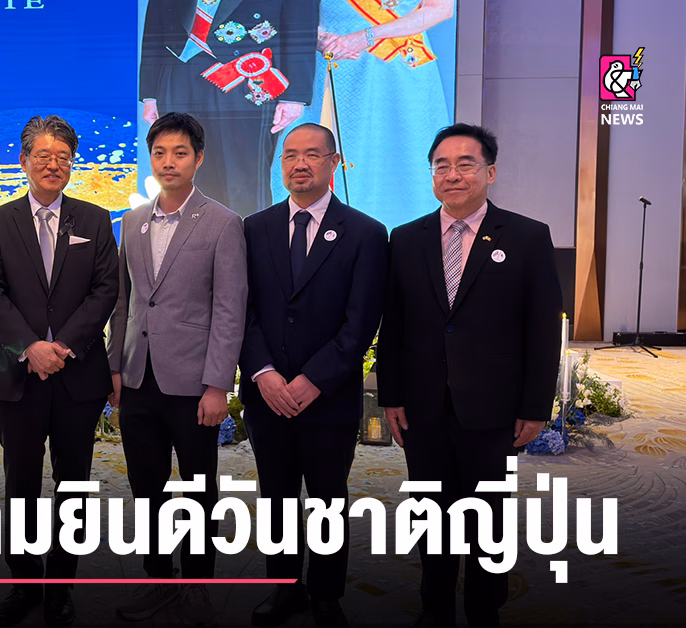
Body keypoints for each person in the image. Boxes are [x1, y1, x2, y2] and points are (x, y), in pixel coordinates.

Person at [376, 124, 561, 628]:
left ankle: (485, 610)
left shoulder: (527, 236)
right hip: (423, 407)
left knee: (487, 516)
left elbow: (543, 329)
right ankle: (434, 606)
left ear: (490, 172)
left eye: (465, 164)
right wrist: (391, 395)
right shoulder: (406, 238)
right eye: (442, 165)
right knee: (430, 512)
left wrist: (535, 407)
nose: (453, 175)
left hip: (494, 407)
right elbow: (393, 325)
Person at [240, 123, 388, 628]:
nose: (299, 164)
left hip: (329, 396)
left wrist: (314, 379)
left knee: (327, 498)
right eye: (290, 155)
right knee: (276, 497)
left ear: (334, 162)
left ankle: (326, 595)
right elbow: (243, 310)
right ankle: (284, 590)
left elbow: (361, 321)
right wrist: (263, 373)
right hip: (267, 395)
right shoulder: (253, 228)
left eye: (311, 155)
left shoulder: (365, 233)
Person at [0, 115, 120, 628]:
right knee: (19, 482)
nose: (53, 165)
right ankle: (23, 583)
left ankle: (60, 586)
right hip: (20, 375)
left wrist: (62, 346)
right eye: (43, 156)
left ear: (72, 163)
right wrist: (30, 347)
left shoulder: (95, 220)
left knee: (73, 484)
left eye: (63, 157)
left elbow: (106, 289)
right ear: (24, 161)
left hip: (77, 374)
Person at [106, 112, 246, 628]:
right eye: (160, 152)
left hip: (194, 385)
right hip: (138, 379)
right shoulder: (133, 221)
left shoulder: (223, 222)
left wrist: (218, 384)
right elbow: (124, 302)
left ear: (198, 158)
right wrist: (115, 368)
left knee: (198, 490)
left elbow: (229, 308)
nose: (169, 162)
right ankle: (159, 580)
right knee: (147, 486)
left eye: (180, 153)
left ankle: (197, 586)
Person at [270, 0, 456, 227]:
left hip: (399, 70)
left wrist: (366, 36)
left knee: (401, 158)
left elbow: (441, 10)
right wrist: (315, 36)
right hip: (331, 58)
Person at [140, 0, 320, 215]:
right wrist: (150, 92)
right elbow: (157, 18)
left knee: (242, 182)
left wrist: (294, 96)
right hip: (178, 71)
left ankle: (247, 237)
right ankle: (195, 237)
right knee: (184, 177)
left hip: (245, 75)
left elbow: (301, 25)